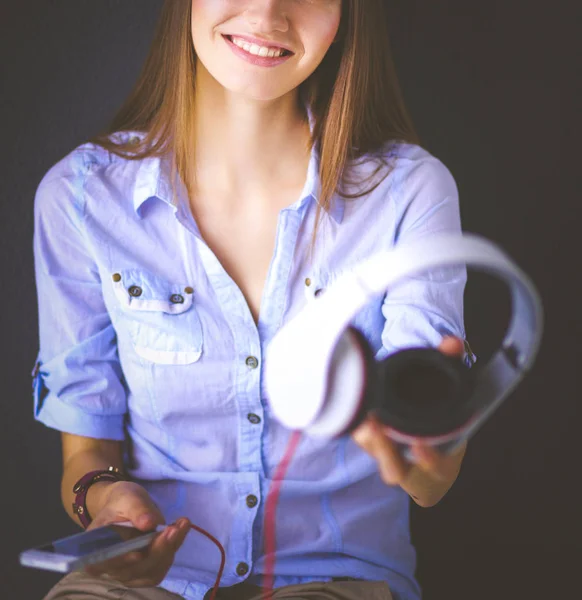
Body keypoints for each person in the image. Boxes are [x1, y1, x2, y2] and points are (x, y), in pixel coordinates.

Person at [32, 1, 477, 599]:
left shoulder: (409, 194)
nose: (268, 11)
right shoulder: (81, 199)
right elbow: (85, 448)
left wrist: (426, 459)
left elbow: (428, 475)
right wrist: (107, 500)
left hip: (336, 581)